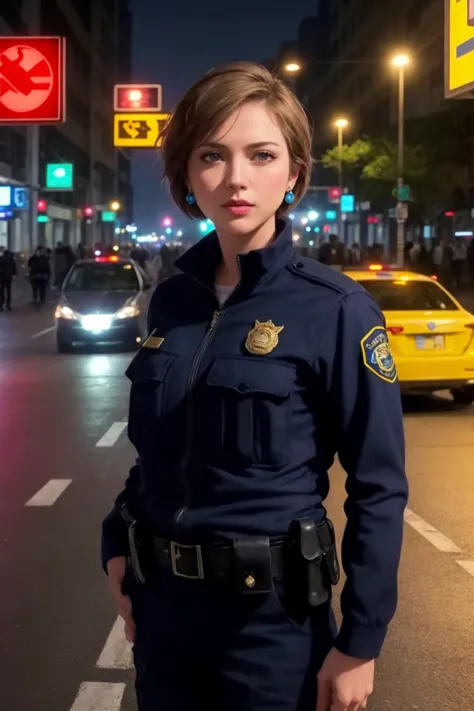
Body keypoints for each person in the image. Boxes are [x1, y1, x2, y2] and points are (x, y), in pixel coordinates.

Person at [101, 62, 408, 711]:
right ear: (187, 172)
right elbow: (157, 453)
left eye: (261, 154)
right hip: (163, 618)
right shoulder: (172, 301)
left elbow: (379, 487)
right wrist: (116, 544)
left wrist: (361, 639)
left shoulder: (337, 309)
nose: (236, 178)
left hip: (271, 629)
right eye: (212, 155)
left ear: (294, 171)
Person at [0, 245, 16, 311]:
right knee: (3, 292)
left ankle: (6, 305)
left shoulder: (7, 256)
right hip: (4, 276)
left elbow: (13, 265)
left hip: (6, 276)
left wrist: (14, 273)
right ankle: (4, 305)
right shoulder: (8, 257)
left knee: (5, 291)